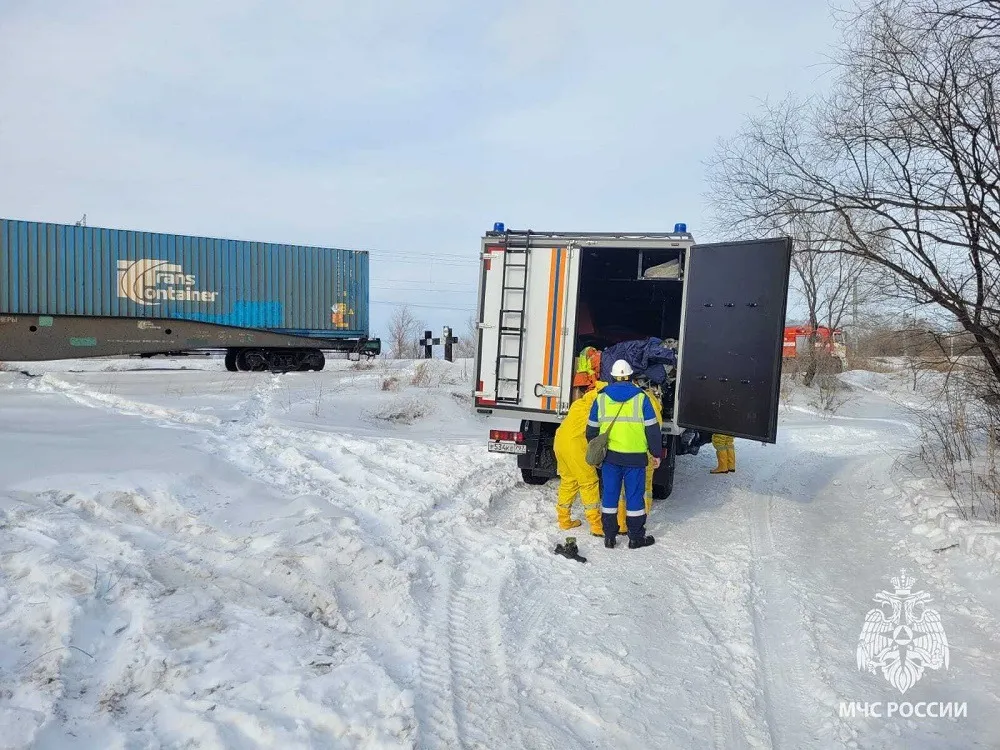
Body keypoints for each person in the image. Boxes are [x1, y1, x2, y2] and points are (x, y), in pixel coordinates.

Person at [586, 359, 661, 549]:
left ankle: (609, 537)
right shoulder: (642, 398)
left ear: (612, 376)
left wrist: (598, 450)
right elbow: (652, 429)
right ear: (630, 376)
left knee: (610, 496)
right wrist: (656, 453)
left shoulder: (601, 398)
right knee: (635, 497)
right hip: (635, 458)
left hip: (610, 458)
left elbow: (591, 430)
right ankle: (635, 538)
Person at [553, 375, 607, 534]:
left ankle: (564, 520)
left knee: (568, 481)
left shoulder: (578, 404)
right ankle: (597, 526)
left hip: (560, 443)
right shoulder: (598, 409)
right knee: (589, 482)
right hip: (576, 446)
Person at [616, 381, 663, 533]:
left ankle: (622, 525)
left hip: (628, 451)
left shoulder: (631, 401)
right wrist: (656, 454)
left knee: (624, 489)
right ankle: (639, 522)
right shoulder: (652, 405)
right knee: (644, 488)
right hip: (646, 454)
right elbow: (655, 432)